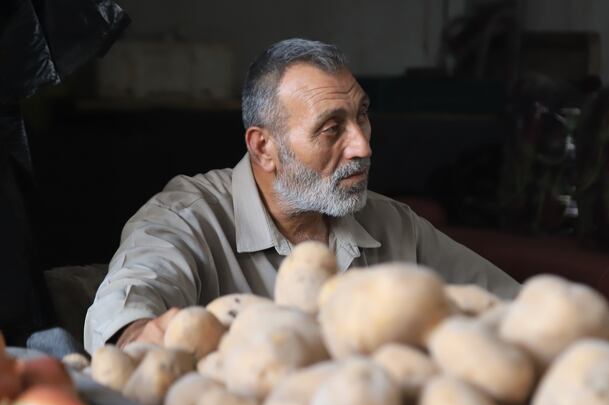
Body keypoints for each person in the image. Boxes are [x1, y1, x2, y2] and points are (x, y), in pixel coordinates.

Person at [83, 38, 519, 353]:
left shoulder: (394, 226)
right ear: (263, 148)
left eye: (362, 116)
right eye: (332, 128)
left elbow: (515, 309)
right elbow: (127, 330)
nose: (363, 146)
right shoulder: (185, 219)